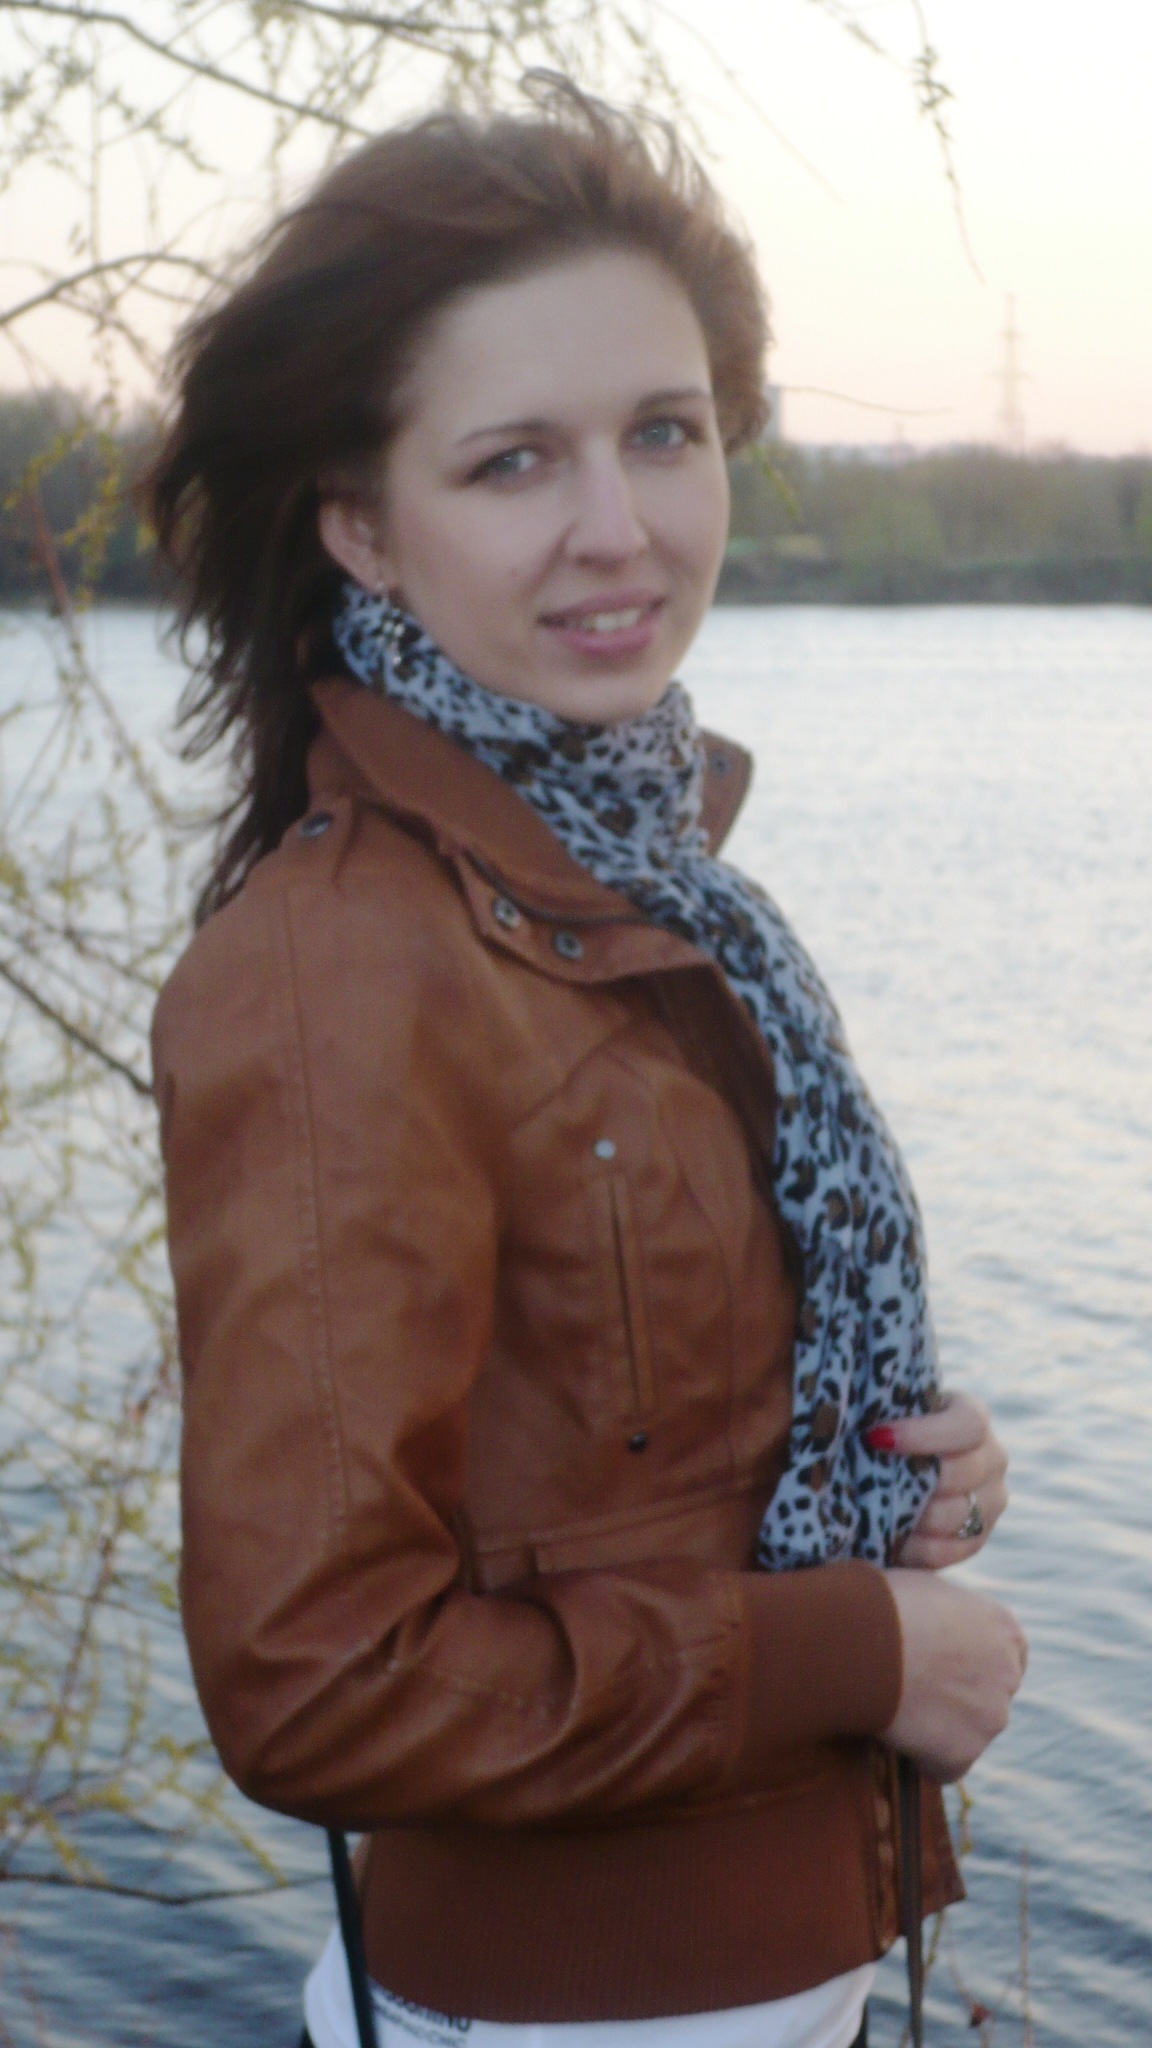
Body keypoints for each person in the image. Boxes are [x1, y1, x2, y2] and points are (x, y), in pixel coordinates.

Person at [147, 79, 1026, 2048]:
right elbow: (316, 1680)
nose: (619, 528)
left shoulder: (644, 885)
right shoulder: (337, 969)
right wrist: (854, 1647)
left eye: (663, 432)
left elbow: (634, 1445)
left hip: (776, 1980)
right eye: (514, 461)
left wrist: (897, 1468)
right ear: (362, 524)